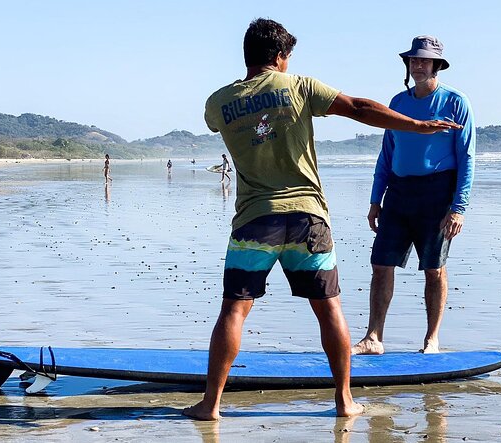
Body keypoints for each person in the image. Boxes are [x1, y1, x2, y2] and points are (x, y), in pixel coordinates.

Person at [182, 19, 459, 421]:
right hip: (307, 219)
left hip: (253, 221)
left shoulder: (218, 103)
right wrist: (416, 125)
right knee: (328, 309)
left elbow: (220, 124)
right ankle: (344, 402)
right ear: (279, 57)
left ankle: (211, 405)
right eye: (287, 58)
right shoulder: (298, 87)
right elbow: (360, 109)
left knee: (234, 310)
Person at [352, 36, 476, 356]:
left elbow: (467, 158)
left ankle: (431, 339)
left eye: (424, 60)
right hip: (398, 191)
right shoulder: (398, 102)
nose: (418, 65)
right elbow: (386, 153)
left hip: (437, 194)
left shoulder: (456, 102)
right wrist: (375, 199)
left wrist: (458, 208)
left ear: (436, 65)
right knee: (381, 264)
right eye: (413, 60)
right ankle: (373, 337)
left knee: (434, 270)